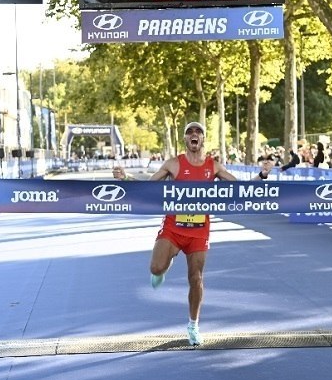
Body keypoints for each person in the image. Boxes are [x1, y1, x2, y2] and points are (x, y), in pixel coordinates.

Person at [112, 121, 274, 346]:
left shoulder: (213, 166)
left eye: (198, 132)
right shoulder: (173, 164)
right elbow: (147, 188)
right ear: (185, 139)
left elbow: (241, 189)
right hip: (173, 226)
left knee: (196, 278)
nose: (194, 134)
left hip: (199, 231)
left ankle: (193, 325)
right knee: (156, 267)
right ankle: (163, 268)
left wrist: (262, 175)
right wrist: (125, 178)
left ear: (203, 139)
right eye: (190, 132)